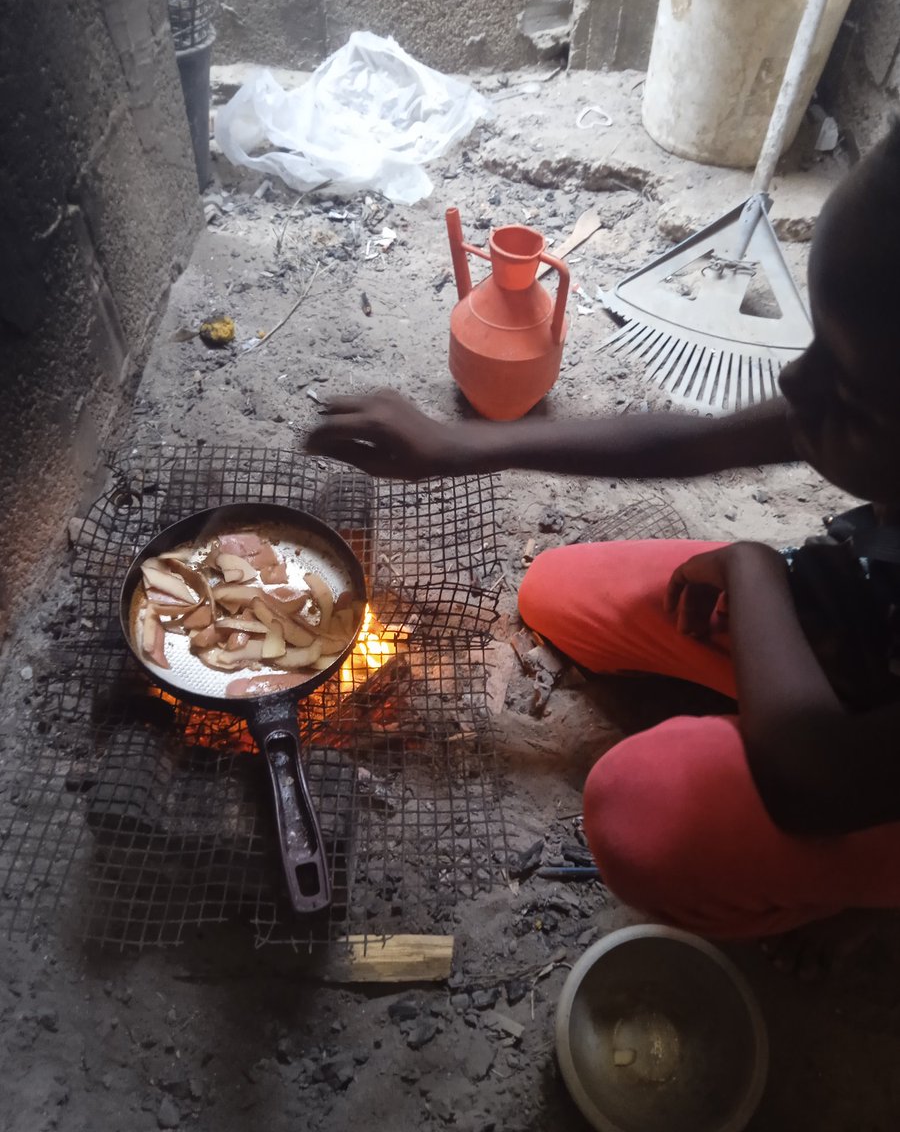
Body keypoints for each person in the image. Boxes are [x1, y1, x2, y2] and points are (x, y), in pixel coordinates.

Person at [307, 120, 900, 976]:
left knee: (638, 811)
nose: (794, 383)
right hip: (867, 615)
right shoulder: (864, 396)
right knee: (557, 592)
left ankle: (856, 890)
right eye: (815, 344)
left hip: (851, 777)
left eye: (848, 386)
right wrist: (458, 445)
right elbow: (695, 444)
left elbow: (815, 780)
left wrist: (754, 566)